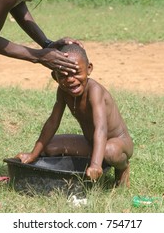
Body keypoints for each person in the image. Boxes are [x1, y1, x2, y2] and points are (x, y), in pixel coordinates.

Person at [16, 43, 134, 187]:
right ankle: (95, 158)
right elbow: (53, 122)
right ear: (55, 77)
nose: (70, 79)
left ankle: (122, 167)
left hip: (117, 143)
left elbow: (101, 128)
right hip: (91, 142)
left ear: (89, 69)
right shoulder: (63, 91)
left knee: (109, 151)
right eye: (63, 75)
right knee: (48, 147)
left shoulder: (94, 91)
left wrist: (96, 164)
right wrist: (33, 154)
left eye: (76, 72)